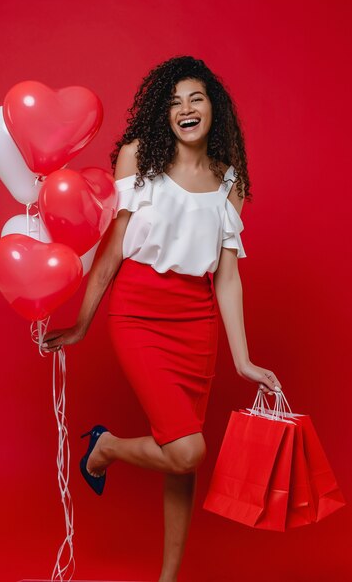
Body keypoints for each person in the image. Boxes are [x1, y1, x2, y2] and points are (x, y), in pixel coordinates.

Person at [42, 55, 283, 582]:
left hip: (197, 324)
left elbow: (227, 276)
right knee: (188, 448)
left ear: (213, 108)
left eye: (196, 98)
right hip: (139, 313)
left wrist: (243, 360)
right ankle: (103, 446)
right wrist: (82, 325)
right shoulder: (137, 160)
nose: (186, 109)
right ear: (163, 115)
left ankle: (168, 577)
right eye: (174, 102)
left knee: (182, 456)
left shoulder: (229, 181)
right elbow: (110, 253)